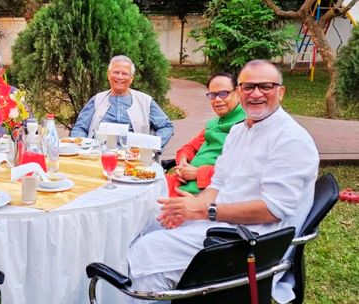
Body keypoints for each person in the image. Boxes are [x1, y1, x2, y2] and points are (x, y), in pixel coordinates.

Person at [126, 60, 319, 303]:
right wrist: (193, 206)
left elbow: (273, 210)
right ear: (239, 92)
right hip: (219, 222)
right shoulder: (239, 131)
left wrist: (204, 211)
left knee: (147, 253)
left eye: (265, 86)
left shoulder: (291, 140)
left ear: (280, 91)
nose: (256, 93)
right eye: (248, 87)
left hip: (250, 241)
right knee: (146, 222)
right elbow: (217, 185)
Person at [165, 72, 246, 196]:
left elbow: (243, 172)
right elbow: (190, 147)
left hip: (205, 192)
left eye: (223, 94)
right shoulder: (213, 123)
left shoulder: (247, 124)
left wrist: (198, 173)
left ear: (238, 92)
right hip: (181, 181)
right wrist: (183, 162)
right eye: (212, 95)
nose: (217, 100)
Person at [70, 55, 174, 149]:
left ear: (131, 78)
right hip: (99, 156)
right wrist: (83, 148)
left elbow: (166, 126)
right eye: (116, 72)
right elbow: (80, 128)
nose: (120, 77)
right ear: (108, 75)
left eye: (125, 73)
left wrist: (149, 146)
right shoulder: (97, 100)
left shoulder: (145, 101)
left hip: (133, 158)